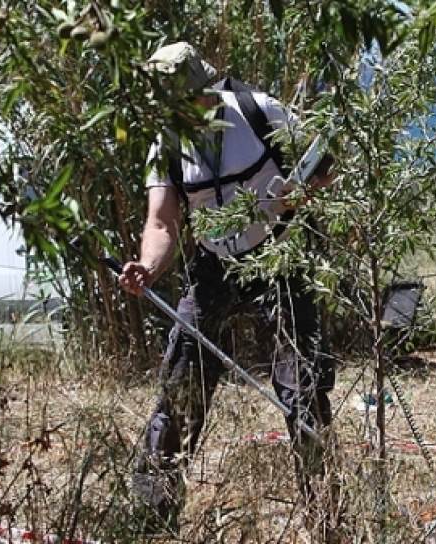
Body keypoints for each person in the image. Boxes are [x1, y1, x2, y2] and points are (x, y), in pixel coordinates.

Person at [118, 42, 339, 538]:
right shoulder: (166, 143)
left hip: (282, 258)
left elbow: (323, 163)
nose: (188, 110)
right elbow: (162, 221)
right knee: (178, 393)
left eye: (193, 98)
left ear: (209, 87)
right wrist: (148, 267)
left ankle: (326, 523)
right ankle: (151, 524)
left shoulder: (259, 110)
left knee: (303, 394)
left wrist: (299, 191)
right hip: (214, 265)